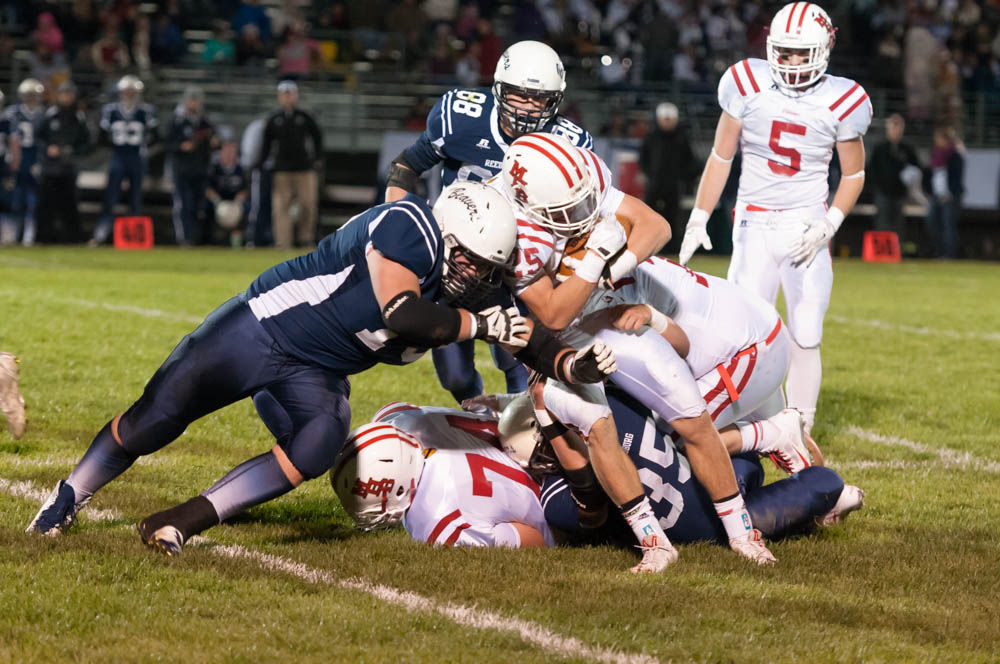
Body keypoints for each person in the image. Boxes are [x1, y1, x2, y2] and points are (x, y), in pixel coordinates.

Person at [26, 182, 614, 555]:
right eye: (466, 259)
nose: (472, 275)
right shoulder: (411, 225)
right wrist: (483, 326)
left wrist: (570, 361)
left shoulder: (474, 283)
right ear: (448, 235)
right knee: (155, 420)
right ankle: (68, 495)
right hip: (260, 330)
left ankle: (179, 520)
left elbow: (525, 336)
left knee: (320, 442)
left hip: (317, 370)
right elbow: (404, 313)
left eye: (484, 268)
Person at [490, 132, 783, 570]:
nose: (585, 216)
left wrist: (616, 266)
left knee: (690, 418)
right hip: (561, 336)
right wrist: (595, 261)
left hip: (614, 314)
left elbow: (656, 228)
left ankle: (742, 533)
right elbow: (553, 313)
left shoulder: (580, 180)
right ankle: (653, 542)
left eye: (586, 203)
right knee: (589, 422)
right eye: (568, 212)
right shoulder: (514, 229)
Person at [679, 3, 872, 439]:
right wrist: (698, 217)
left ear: (826, 48)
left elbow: (854, 174)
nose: (794, 62)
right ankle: (764, 424)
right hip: (753, 225)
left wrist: (830, 223)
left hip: (806, 226)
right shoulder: (746, 82)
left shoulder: (843, 99)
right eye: (785, 52)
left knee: (806, 330)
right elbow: (721, 156)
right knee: (747, 334)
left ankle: (800, 427)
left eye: (804, 53)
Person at [385, 40, 594, 405]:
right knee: (455, 375)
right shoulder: (461, 118)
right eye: (518, 95)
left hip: (517, 262)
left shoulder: (566, 143)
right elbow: (407, 165)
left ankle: (523, 427)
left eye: (539, 99)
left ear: (554, 101)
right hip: (456, 259)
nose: (527, 107)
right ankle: (474, 412)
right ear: (498, 89)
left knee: (520, 363)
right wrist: (396, 223)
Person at [530, 386, 864, 547]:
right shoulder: (558, 496)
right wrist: (555, 430)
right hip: (707, 516)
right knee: (826, 482)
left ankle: (765, 435)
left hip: (707, 482)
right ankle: (768, 440)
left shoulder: (611, 400)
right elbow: (590, 509)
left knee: (752, 465)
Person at [331, 400, 554, 548]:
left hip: (556, 496)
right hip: (543, 435)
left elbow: (535, 540)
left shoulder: (435, 519)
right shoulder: (397, 419)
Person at [92, 75, 158, 246]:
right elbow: (101, 137)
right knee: (111, 196)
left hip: (137, 157)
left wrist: (144, 146)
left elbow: (155, 136)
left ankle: (135, 236)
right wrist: (113, 147)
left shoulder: (146, 111)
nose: (129, 95)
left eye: (132, 92)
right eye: (126, 92)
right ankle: (101, 233)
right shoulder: (111, 110)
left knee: (136, 197)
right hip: (119, 156)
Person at [259, 80, 323, 250]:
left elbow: (317, 138)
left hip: (304, 168)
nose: (287, 98)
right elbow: (266, 144)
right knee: (281, 207)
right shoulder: (274, 119)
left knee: (308, 204)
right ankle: (283, 242)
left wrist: (317, 159)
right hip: (282, 170)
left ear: (296, 96)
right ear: (279, 97)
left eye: (290, 94)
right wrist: (262, 163)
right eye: (284, 95)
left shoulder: (305, 117)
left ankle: (306, 239)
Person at [35, 81, 90, 244]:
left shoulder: (79, 117)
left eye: (69, 94)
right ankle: (44, 237)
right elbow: (38, 137)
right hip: (50, 167)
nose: (66, 97)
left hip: (68, 167)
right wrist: (48, 149)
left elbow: (86, 143)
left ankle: (73, 239)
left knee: (70, 205)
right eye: (63, 94)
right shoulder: (50, 115)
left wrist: (71, 151)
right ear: (58, 96)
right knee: (46, 204)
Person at [638, 102, 697, 255]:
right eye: (665, 119)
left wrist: (683, 177)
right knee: (649, 215)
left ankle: (673, 250)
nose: (667, 122)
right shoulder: (651, 137)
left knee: (674, 218)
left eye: (670, 119)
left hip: (673, 185)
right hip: (654, 184)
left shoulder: (682, 138)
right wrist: (650, 174)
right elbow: (643, 159)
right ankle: (646, 247)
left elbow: (690, 161)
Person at [167, 86, 218, 245]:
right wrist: (181, 146)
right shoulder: (177, 121)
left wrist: (214, 142)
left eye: (197, 101)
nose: (194, 104)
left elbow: (214, 142)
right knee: (184, 204)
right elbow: (167, 144)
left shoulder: (204, 121)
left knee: (199, 206)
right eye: (192, 100)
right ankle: (185, 237)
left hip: (200, 169)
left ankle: (197, 238)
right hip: (182, 169)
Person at [1, 79, 46, 246]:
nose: (31, 98)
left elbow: (45, 140)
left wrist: (41, 161)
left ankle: (28, 236)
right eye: (28, 95)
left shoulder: (44, 114)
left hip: (33, 159)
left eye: (34, 95)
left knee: (32, 202)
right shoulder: (11, 113)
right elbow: (8, 140)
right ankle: (12, 234)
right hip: (13, 160)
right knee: (13, 200)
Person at [868, 114, 921, 242]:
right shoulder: (880, 148)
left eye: (899, 127)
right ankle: (882, 250)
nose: (896, 131)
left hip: (900, 194)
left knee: (898, 225)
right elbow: (872, 170)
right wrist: (879, 186)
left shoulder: (907, 148)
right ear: (888, 129)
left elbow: (916, 169)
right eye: (893, 127)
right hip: (883, 193)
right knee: (882, 224)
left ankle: (897, 250)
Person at [924, 127, 964, 259]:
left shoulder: (955, 155)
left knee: (948, 225)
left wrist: (949, 193)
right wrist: (929, 190)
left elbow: (957, 177)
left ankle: (949, 254)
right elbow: (930, 175)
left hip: (950, 197)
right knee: (931, 222)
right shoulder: (935, 154)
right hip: (936, 195)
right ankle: (938, 250)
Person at [205, 138, 248, 244]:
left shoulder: (241, 169)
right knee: (204, 208)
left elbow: (246, 189)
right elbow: (207, 189)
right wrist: (217, 201)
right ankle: (209, 240)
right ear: (221, 153)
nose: (229, 154)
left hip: (235, 202)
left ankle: (243, 239)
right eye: (226, 151)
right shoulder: (214, 169)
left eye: (232, 152)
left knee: (249, 208)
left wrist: (238, 201)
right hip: (218, 201)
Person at [240, 115, 273, 247]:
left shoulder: (267, 126)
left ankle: (268, 238)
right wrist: (252, 166)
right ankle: (253, 237)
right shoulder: (258, 127)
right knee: (258, 205)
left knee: (271, 206)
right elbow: (250, 151)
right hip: (261, 170)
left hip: (275, 171)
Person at [0, 351, 26, 439]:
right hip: (6, 363)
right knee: (10, 398)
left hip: (5, 365)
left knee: (9, 398)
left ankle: (18, 429)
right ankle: (18, 426)